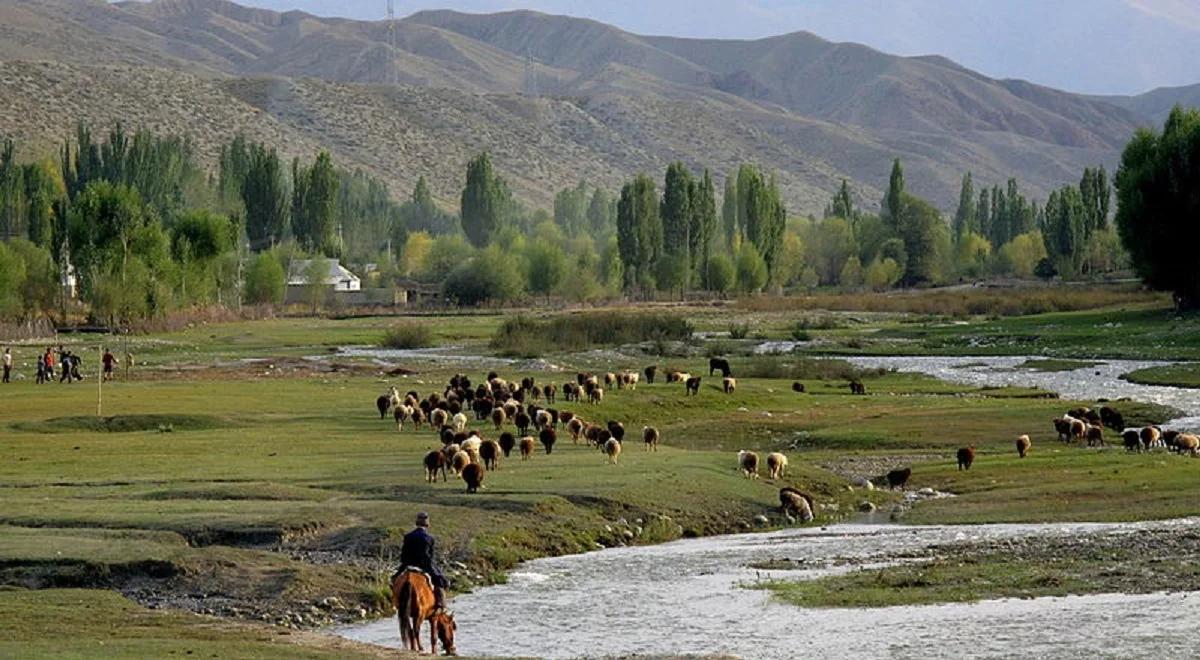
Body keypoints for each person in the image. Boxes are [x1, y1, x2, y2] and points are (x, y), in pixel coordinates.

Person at [396, 512, 448, 612]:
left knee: (394, 579)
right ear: (427, 523)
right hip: (424, 565)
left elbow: (404, 554)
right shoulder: (429, 538)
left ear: (416, 522)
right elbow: (430, 557)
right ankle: (440, 604)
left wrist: (404, 564)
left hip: (408, 564)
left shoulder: (408, 536)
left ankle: (395, 600)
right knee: (440, 581)